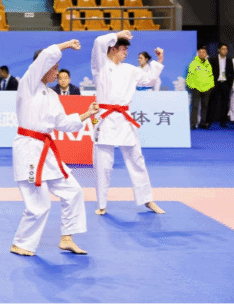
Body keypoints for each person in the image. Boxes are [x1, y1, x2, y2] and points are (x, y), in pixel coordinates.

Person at [10, 41, 99, 257]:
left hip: (45, 149)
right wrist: (66, 44)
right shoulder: (29, 84)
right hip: (28, 149)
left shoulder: (52, 95)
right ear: (42, 66)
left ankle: (67, 238)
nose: (57, 73)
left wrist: (87, 114)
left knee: (73, 191)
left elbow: (63, 123)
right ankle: (20, 243)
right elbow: (45, 58)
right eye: (55, 67)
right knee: (39, 204)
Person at [91, 30, 165, 215]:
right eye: (123, 49)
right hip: (105, 118)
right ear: (113, 49)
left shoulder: (130, 69)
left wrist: (158, 61)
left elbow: (149, 81)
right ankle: (101, 203)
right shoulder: (100, 66)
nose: (126, 53)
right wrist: (117, 34)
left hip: (124, 118)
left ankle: (147, 199)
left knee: (137, 160)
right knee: (103, 163)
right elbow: (99, 41)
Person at [186, 46, 214, 129]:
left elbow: (210, 76)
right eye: (200, 52)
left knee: (205, 106)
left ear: (206, 54)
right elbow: (190, 75)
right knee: (195, 106)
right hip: (196, 87)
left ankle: (203, 122)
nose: (202, 54)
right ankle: (193, 123)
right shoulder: (193, 63)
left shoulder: (208, 64)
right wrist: (191, 86)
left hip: (207, 87)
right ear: (198, 53)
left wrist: (211, 86)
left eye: (204, 52)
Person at [208, 43, 234, 127]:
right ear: (219, 50)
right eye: (223, 49)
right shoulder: (213, 60)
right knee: (212, 102)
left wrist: (229, 83)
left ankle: (223, 122)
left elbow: (232, 73)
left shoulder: (229, 60)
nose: (224, 51)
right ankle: (209, 121)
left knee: (225, 103)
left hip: (225, 83)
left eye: (226, 49)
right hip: (216, 83)